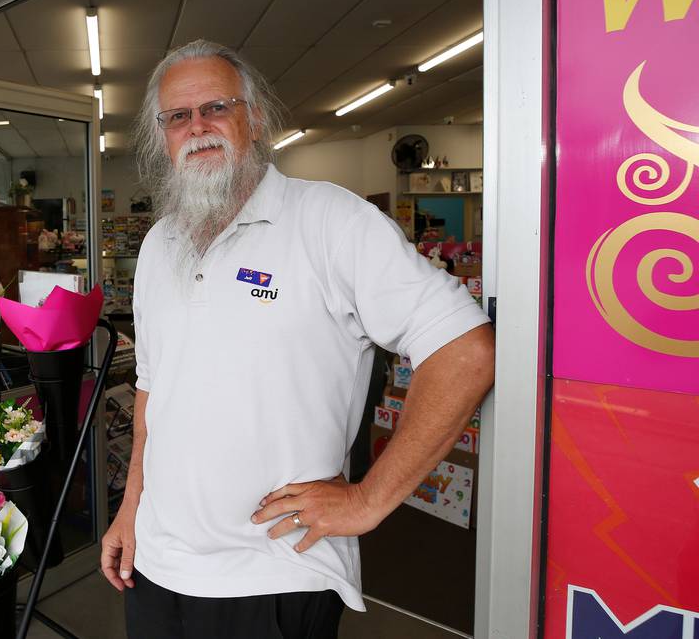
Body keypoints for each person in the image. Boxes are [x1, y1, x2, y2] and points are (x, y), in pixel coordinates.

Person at [100, 39, 495, 638]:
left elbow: (466, 349)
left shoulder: (331, 222)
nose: (197, 127)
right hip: (157, 567)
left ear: (254, 118)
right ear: (163, 137)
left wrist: (369, 499)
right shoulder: (159, 245)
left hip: (275, 573)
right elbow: (155, 391)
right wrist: (131, 507)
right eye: (178, 117)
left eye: (216, 108)